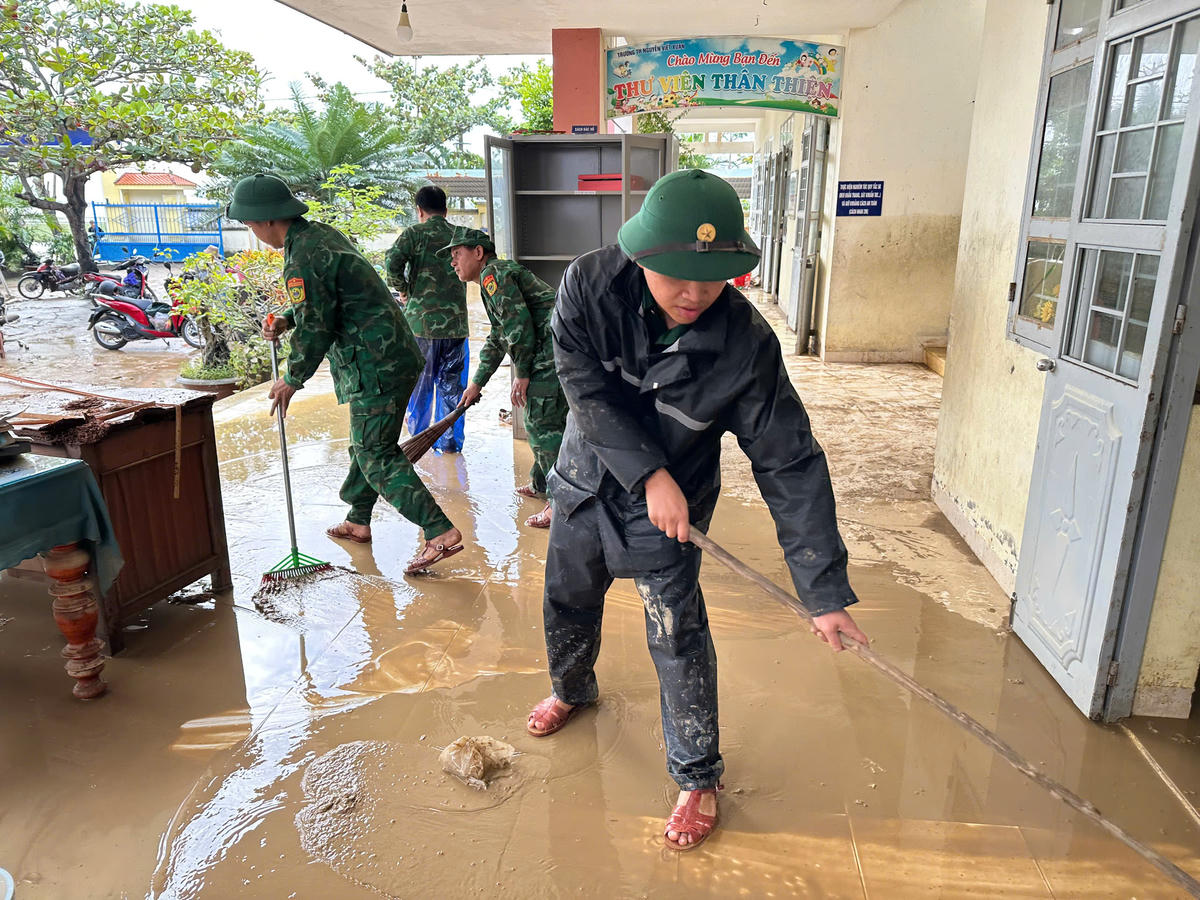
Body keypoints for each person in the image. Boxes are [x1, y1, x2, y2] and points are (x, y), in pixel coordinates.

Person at [524, 169, 869, 851]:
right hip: (588, 482)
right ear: (644, 256)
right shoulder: (589, 284)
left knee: (677, 634)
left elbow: (789, 460)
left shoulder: (745, 343)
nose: (694, 293)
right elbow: (581, 384)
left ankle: (697, 774)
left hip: (672, 512)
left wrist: (822, 590)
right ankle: (572, 687)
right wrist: (647, 470)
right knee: (566, 600)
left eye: (711, 279)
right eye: (678, 275)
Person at [226, 173, 463, 575]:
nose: (251, 232)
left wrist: (292, 378)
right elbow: (326, 304)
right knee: (367, 443)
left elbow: (317, 325)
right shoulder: (316, 236)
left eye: (249, 224)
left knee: (375, 451)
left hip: (376, 363)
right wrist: (287, 318)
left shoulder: (303, 255)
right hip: (387, 356)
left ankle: (439, 530)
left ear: (266, 219)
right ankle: (358, 520)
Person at [441, 226, 567, 529]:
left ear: (478, 253)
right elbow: (500, 336)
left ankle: (559, 504)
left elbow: (519, 328)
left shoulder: (493, 275)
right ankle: (540, 484)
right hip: (549, 348)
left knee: (543, 425)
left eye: (457, 254)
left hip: (553, 351)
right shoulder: (491, 280)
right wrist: (476, 383)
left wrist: (522, 373)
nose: (453, 262)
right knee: (541, 423)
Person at [385, 186, 469, 453]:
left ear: (419, 211)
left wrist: (405, 290)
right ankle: (450, 444)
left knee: (419, 388)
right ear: (445, 210)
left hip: (421, 327)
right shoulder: (459, 235)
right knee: (453, 389)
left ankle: (418, 444)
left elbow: (391, 262)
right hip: (456, 327)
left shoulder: (414, 234)